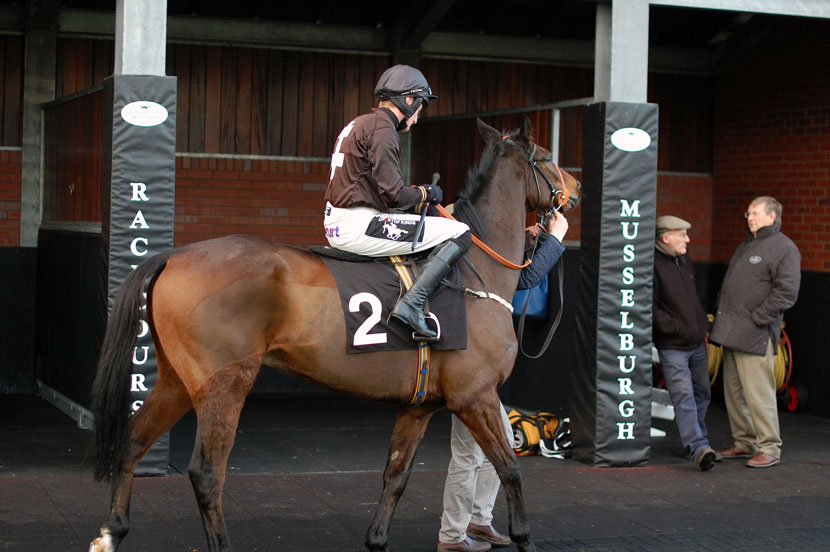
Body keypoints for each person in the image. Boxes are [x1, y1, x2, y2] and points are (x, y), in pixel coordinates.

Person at [438, 212, 568, 552]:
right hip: (468, 363)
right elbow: (524, 280)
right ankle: (452, 536)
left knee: (503, 440)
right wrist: (554, 240)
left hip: (471, 359)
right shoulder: (472, 238)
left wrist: (527, 238)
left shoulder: (468, 233)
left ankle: (478, 520)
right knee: (468, 453)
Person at [323, 64, 471, 342]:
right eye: (420, 108)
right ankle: (412, 304)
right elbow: (394, 195)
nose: (417, 119)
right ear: (409, 100)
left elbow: (379, 190)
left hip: (340, 221)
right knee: (459, 231)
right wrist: (427, 193)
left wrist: (415, 196)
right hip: (358, 225)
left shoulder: (361, 122)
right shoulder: (383, 129)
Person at [710, 196, 801, 469]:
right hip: (731, 332)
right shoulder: (747, 244)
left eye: (756, 214)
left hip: (756, 334)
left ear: (773, 217)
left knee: (759, 395)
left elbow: (786, 292)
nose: (750, 218)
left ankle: (769, 448)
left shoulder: (785, 248)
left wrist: (758, 319)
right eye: (748, 213)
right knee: (735, 394)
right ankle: (744, 442)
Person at [652, 215, 718, 471]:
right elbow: (652, 307)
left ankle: (697, 443)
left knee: (703, 393)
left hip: (697, 343)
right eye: (682, 235)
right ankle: (699, 447)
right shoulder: (653, 265)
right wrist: (675, 328)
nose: (688, 240)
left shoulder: (684, 258)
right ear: (666, 237)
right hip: (673, 346)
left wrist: (700, 325)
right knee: (684, 397)